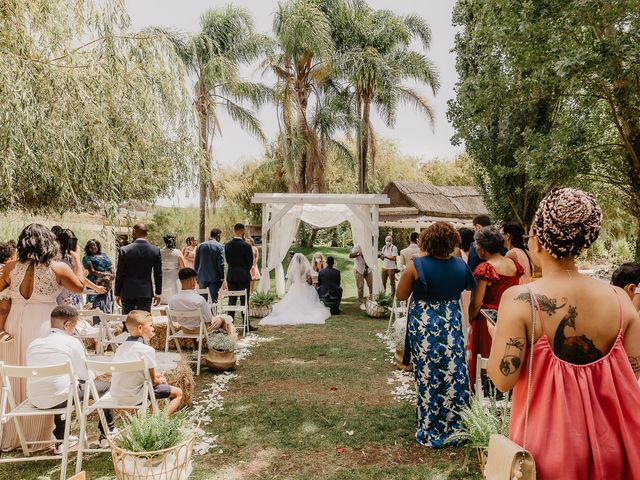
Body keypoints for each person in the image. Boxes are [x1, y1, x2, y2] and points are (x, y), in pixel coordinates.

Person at [488, 188, 640, 479]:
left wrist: (499, 336)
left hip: (544, 452)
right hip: (613, 449)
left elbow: (502, 380)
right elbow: (630, 374)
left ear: (539, 242)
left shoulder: (521, 299)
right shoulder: (621, 300)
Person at [0, 223, 85, 451]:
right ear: (49, 242)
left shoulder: (10, 268)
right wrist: (77, 261)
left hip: (13, 326)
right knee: (44, 374)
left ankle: (13, 434)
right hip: (43, 324)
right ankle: (43, 435)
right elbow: (80, 287)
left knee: (15, 376)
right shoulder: (58, 268)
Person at [396, 222, 476, 447]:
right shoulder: (461, 265)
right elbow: (466, 288)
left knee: (428, 374)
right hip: (451, 323)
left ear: (427, 241)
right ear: (452, 242)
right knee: (454, 370)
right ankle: (456, 423)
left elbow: (401, 295)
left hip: (424, 326)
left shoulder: (416, 265)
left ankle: (431, 425)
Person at [26, 306, 115, 451]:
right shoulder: (72, 342)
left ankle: (62, 440)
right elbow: (84, 375)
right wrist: (93, 374)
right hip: (60, 396)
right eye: (74, 326)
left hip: (35, 398)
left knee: (62, 385)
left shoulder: (34, 344)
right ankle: (107, 434)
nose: (74, 330)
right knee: (105, 387)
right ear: (66, 325)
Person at [468, 226, 524, 392]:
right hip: (509, 316)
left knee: (486, 359)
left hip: (487, 320)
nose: (476, 247)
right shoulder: (514, 265)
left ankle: (486, 391)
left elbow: (476, 302)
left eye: (477, 245)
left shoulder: (486, 268)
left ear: (483, 248)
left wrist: (471, 319)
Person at [110, 310, 183, 415]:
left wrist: (156, 378)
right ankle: (159, 423)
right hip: (136, 396)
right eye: (151, 325)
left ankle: (154, 416)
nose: (153, 328)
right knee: (178, 393)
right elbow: (153, 381)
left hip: (116, 395)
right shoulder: (147, 350)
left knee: (157, 385)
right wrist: (160, 379)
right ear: (140, 328)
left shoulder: (120, 348)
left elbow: (132, 372)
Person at [259, 253, 330, 326]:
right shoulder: (307, 268)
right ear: (303, 260)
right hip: (305, 287)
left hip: (295, 287)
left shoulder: (293, 269)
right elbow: (309, 281)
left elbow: (291, 279)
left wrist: (297, 282)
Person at [168, 268, 236, 336]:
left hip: (185, 330)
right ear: (192, 281)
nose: (196, 282)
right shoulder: (199, 300)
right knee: (222, 319)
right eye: (195, 279)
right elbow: (209, 319)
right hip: (201, 330)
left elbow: (174, 319)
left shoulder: (172, 300)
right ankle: (227, 341)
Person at [114, 223, 162, 314]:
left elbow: (120, 273)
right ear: (147, 234)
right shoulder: (155, 251)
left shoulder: (124, 250)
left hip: (127, 291)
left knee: (128, 321)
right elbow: (158, 274)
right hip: (145, 292)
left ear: (133, 233)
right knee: (144, 320)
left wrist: (117, 293)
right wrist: (158, 293)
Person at [225, 224, 256, 331]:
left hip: (231, 276)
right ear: (242, 231)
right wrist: (243, 270)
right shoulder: (246, 246)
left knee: (231, 300)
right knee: (244, 300)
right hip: (243, 276)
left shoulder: (227, 245)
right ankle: (246, 325)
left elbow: (228, 260)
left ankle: (230, 324)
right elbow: (250, 262)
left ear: (234, 231)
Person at [82, 239, 114, 314]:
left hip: (107, 282)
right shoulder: (87, 258)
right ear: (88, 248)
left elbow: (110, 265)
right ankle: (96, 322)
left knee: (106, 303)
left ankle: (106, 321)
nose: (93, 247)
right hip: (95, 283)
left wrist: (113, 274)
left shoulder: (104, 255)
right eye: (91, 246)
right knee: (96, 305)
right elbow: (91, 271)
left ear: (98, 246)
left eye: (95, 245)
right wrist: (105, 275)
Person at [194, 228, 225, 303]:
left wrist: (197, 276)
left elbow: (196, 263)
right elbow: (220, 264)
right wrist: (221, 277)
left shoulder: (200, 246)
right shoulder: (220, 246)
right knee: (213, 300)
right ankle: (212, 314)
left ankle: (204, 314)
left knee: (202, 300)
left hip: (202, 276)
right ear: (218, 236)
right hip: (215, 277)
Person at [457, 227, 475, 339]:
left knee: (464, 317)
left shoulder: (458, 252)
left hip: (463, 289)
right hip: (472, 287)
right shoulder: (475, 251)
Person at [160, 234, 185, 304]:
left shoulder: (160, 252)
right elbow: (183, 268)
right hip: (175, 278)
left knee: (164, 302)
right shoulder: (178, 252)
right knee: (175, 300)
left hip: (163, 277)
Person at [350, 244, 373, 310]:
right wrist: (358, 254)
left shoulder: (371, 247)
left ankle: (371, 301)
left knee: (371, 286)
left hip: (368, 269)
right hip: (359, 269)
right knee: (360, 286)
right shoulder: (358, 246)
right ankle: (361, 302)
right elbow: (350, 255)